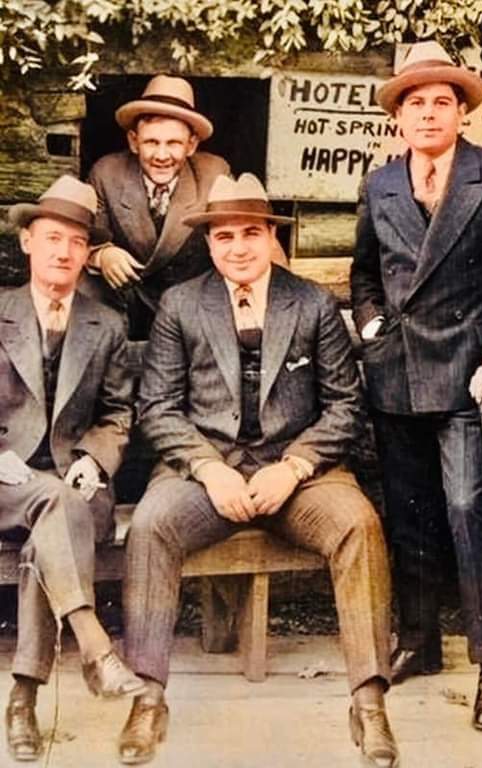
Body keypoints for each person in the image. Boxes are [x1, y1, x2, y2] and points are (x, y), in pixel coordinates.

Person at [117, 173, 399, 767]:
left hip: (298, 474)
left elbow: (345, 404)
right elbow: (158, 407)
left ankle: (369, 700)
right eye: (224, 236)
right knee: (151, 525)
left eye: (251, 233)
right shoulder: (181, 304)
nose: (239, 247)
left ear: (272, 237)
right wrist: (207, 467)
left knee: (358, 524)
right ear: (209, 243)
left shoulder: (312, 303)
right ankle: (147, 695)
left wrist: (295, 465)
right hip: (207, 472)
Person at [350, 41, 482, 731]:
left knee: (467, 508)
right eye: (416, 103)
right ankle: (420, 639)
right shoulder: (380, 183)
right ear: (397, 117)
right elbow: (364, 274)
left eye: (442, 101)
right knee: (409, 513)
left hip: (471, 375)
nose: (429, 113)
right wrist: (372, 326)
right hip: (398, 372)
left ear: (463, 113)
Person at [1, 176, 143, 762]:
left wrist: (94, 457)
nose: (64, 252)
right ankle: (95, 646)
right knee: (54, 507)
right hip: (1, 482)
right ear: (27, 241)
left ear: (88, 254)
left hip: (73, 487)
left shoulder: (104, 324)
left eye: (77, 242)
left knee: (53, 522)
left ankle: (22, 701)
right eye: (53, 238)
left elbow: (118, 413)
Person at [83, 74, 230, 339]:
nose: (162, 155)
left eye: (173, 143)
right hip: (128, 300)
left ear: (191, 145)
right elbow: (82, 237)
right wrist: (102, 254)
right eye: (151, 142)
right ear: (133, 141)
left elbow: (240, 235)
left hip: (192, 305)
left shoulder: (215, 173)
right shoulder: (106, 173)